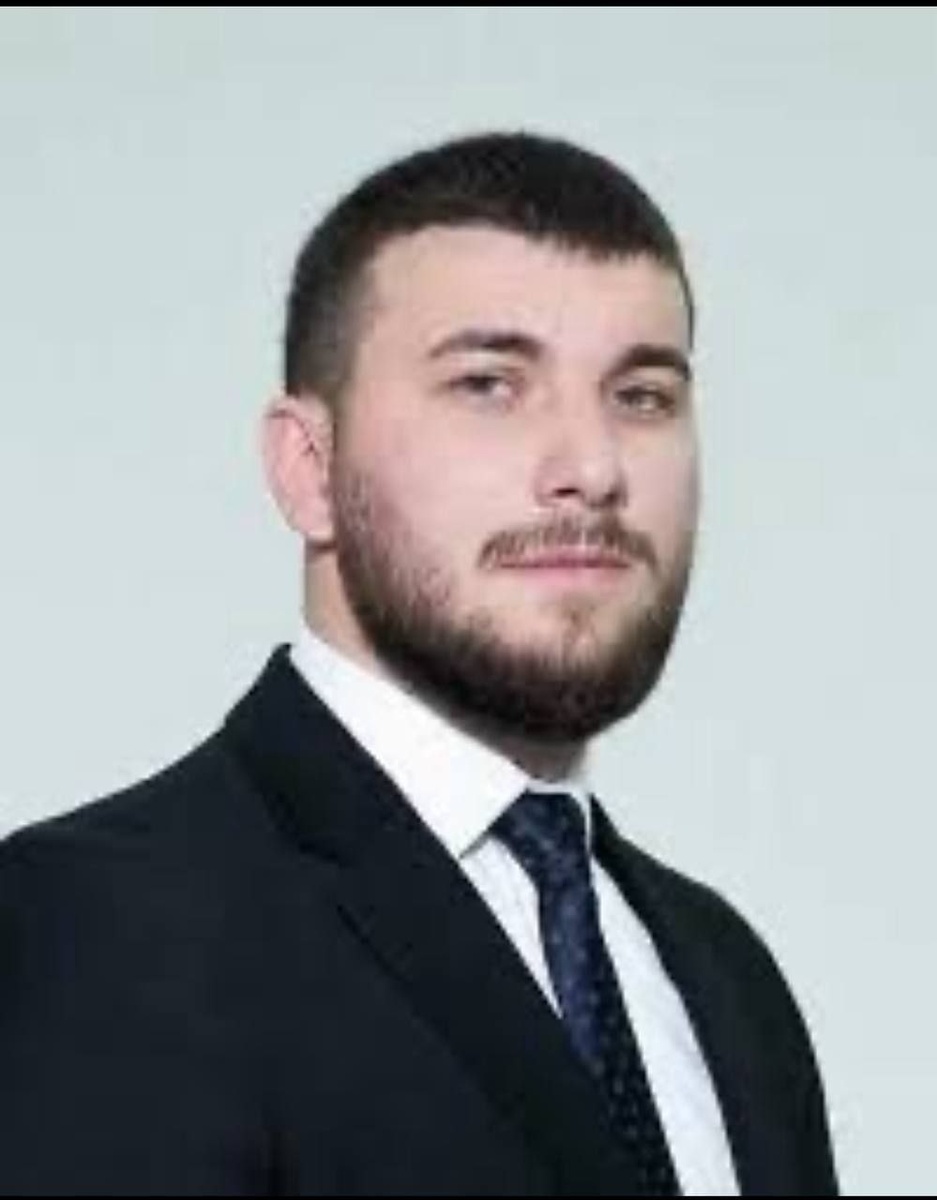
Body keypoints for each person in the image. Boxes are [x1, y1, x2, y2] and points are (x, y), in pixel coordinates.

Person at [0, 132, 838, 1197]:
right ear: (309, 470)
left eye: (641, 396)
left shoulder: (726, 982)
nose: (591, 468)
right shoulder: (106, 924)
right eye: (489, 384)